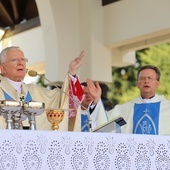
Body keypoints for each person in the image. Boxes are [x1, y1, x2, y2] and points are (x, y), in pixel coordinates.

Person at [0, 46, 85, 131]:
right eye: (14, 60)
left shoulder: (35, 91)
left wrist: (72, 71)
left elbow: (63, 100)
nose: (20, 63)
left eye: (23, 60)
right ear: (2, 68)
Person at [87, 65, 170, 135]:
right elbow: (103, 128)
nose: (146, 81)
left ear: (158, 83)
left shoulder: (167, 108)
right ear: (137, 84)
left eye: (150, 78)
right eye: (142, 78)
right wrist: (97, 99)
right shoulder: (124, 110)